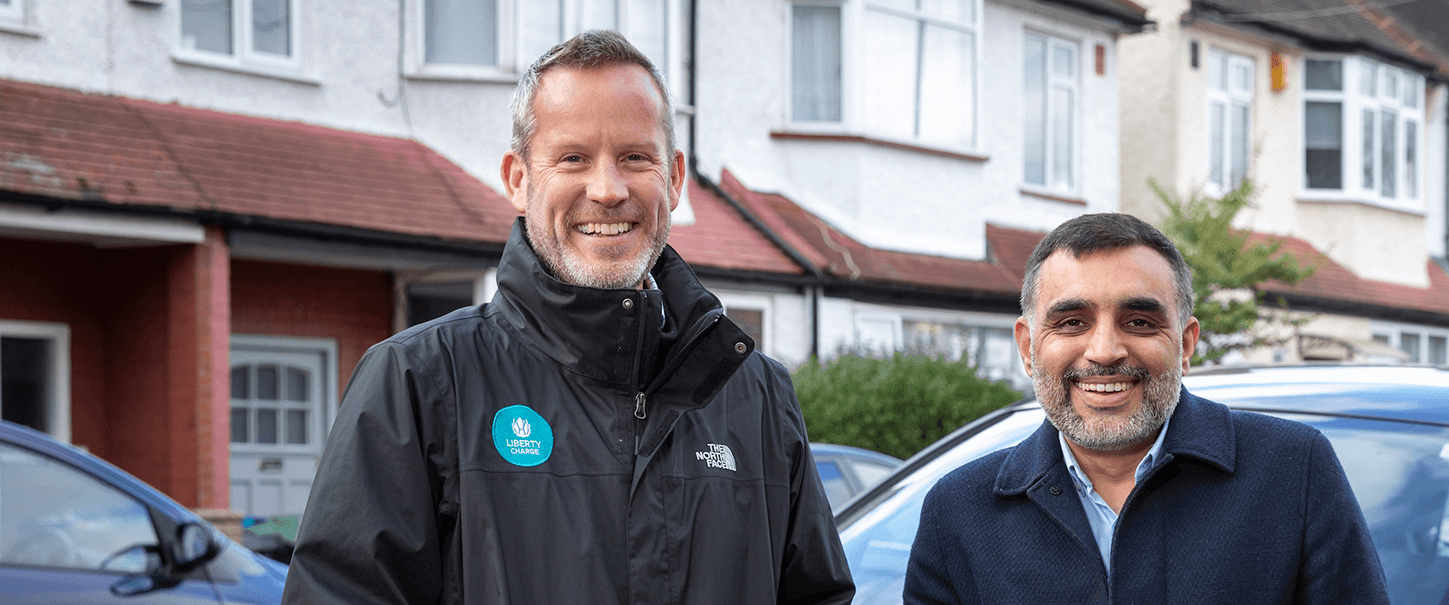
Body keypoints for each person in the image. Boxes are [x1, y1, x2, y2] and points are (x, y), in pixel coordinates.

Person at [284, 30, 854, 605]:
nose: (607, 190)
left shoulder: (755, 393)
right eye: (573, 158)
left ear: (675, 178)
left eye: (635, 158)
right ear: (518, 179)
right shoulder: (419, 381)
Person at [903, 213, 1389, 604]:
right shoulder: (958, 511)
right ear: (1028, 347)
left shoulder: (1293, 472)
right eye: (1072, 321)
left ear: (1185, 343)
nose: (1105, 351)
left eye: (1138, 321)